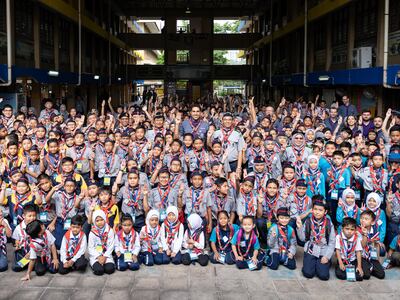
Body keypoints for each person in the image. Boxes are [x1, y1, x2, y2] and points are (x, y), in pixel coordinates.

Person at [296, 198, 335, 280]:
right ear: (312, 210)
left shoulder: (328, 223)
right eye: (315, 209)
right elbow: (303, 239)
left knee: (323, 276)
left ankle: (323, 263)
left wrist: (327, 257)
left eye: (320, 210)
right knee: (308, 274)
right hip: (311, 249)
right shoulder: (308, 222)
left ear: (325, 212)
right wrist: (299, 227)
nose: (317, 212)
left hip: (323, 250)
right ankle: (312, 262)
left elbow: (332, 242)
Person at [88, 210, 115, 276]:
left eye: (101, 220)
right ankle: (95, 264)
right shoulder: (92, 232)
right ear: (94, 221)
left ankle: (104, 263)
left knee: (110, 270)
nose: (100, 222)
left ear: (105, 219)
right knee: (99, 271)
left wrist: (105, 256)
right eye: (97, 221)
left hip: (106, 255)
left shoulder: (109, 231)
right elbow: (90, 247)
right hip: (96, 256)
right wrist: (98, 256)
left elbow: (111, 246)